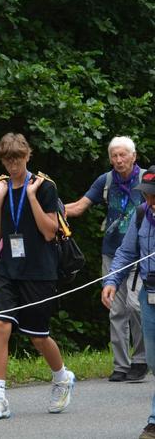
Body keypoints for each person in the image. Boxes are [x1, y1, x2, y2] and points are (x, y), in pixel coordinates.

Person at [0, 132, 75, 420]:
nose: (13, 166)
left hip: (39, 270)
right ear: (2, 159)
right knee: (0, 326)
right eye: (8, 160)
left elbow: (49, 231)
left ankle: (61, 377)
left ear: (27, 156)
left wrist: (32, 197)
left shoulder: (44, 186)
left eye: (18, 159)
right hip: (8, 269)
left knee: (37, 336)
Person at [65, 136, 147, 382]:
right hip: (111, 253)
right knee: (115, 309)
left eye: (123, 155)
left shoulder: (146, 180)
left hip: (140, 253)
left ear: (133, 157)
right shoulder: (106, 180)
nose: (118, 160)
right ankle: (121, 365)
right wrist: (47, 208)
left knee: (136, 305)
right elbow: (79, 207)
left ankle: (141, 359)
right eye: (114, 156)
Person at [101, 165, 155, 439]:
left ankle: (154, 422)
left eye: (153, 195)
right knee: (154, 360)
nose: (149, 200)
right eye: (146, 195)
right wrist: (111, 282)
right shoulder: (142, 214)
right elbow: (125, 252)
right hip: (149, 295)